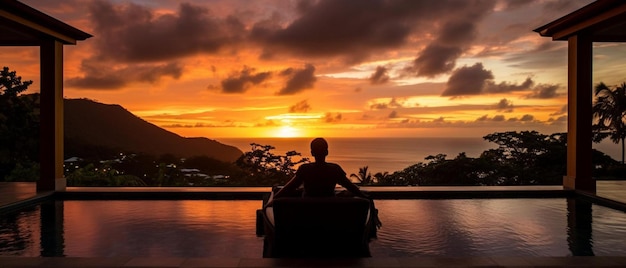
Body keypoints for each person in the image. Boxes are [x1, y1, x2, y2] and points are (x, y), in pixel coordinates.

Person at [271, 137, 367, 200]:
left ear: (312, 153)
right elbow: (351, 187)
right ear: (327, 152)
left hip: (307, 209)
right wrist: (366, 197)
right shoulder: (335, 169)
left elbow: (289, 188)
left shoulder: (305, 169)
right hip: (328, 208)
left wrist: (271, 201)